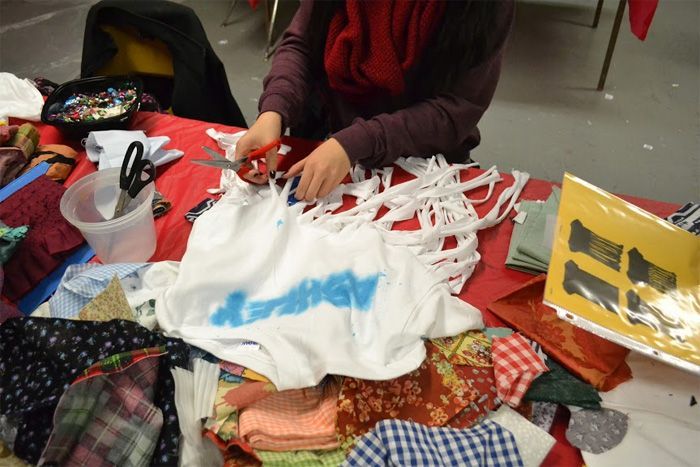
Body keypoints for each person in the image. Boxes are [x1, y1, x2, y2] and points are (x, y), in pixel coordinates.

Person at [236, 0, 514, 201]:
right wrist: (274, 110)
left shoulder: (480, 8)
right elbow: (301, 45)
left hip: (421, 165)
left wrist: (355, 143)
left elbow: (455, 110)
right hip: (326, 139)